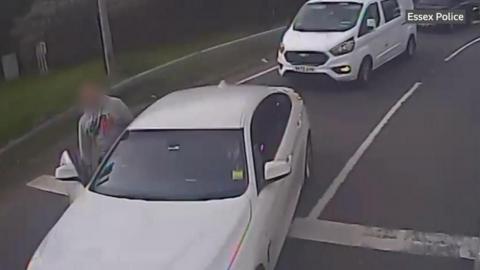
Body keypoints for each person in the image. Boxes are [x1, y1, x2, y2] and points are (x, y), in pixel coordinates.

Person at [77, 81, 133, 175]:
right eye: (87, 97)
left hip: (124, 154)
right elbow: (85, 150)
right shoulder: (84, 121)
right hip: (105, 160)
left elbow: (132, 124)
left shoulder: (116, 105)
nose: (90, 99)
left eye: (92, 94)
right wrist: (89, 170)